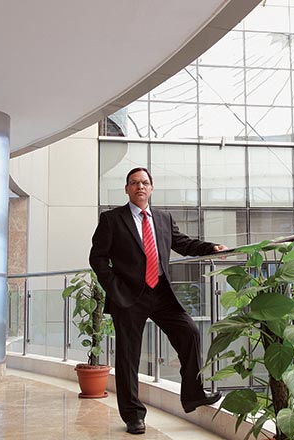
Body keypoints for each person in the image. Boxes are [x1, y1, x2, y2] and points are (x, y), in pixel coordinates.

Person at [89, 167, 227, 435]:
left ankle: (193, 395)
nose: (140, 186)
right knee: (128, 356)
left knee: (189, 331)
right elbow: (97, 258)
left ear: (151, 188)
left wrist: (210, 248)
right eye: (134, 183)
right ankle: (133, 416)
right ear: (127, 189)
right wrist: (114, 288)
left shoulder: (163, 218)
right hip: (128, 296)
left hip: (161, 293)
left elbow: (183, 244)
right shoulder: (112, 219)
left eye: (144, 182)